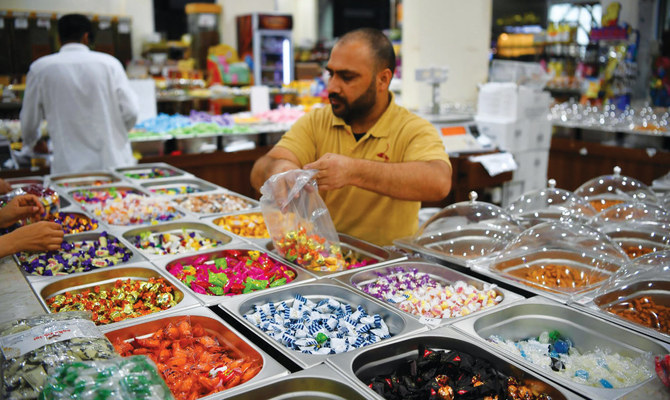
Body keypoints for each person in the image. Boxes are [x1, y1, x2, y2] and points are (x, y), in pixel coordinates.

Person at [251, 28, 452, 246]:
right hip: (319, 256)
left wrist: (353, 172)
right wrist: (280, 171)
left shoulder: (412, 128)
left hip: (389, 266)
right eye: (331, 74)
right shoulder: (317, 121)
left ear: (383, 80)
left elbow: (438, 181)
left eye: (347, 77)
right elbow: (261, 168)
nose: (332, 87)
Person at [20, 13, 139, 175]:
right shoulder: (110, 64)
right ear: (86, 37)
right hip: (114, 163)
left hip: (69, 169)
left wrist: (34, 141)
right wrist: (115, 131)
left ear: (59, 39)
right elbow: (131, 111)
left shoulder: (40, 69)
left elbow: (28, 122)